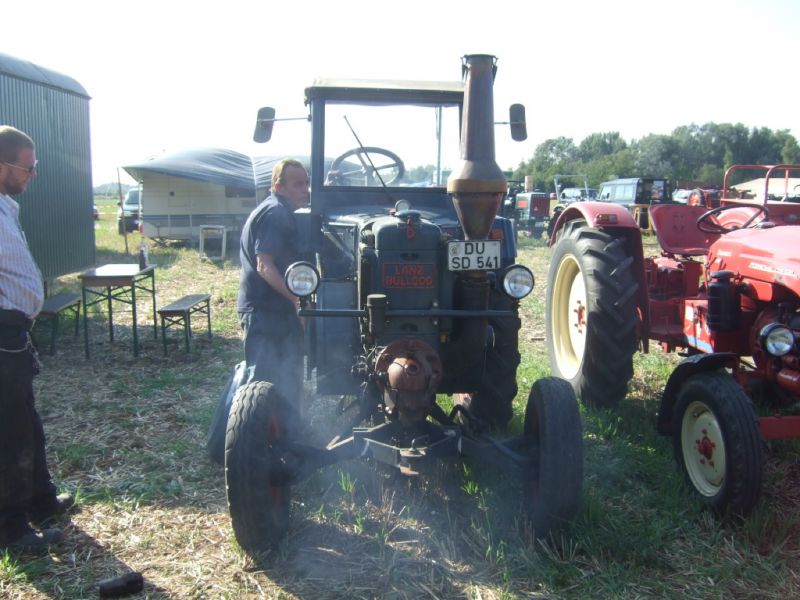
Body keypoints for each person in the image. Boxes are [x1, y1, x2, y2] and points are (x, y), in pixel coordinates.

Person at [0, 125, 74, 551]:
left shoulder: (7, 205)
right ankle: (10, 527)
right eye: (26, 168)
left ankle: (40, 500)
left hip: (14, 334)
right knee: (8, 432)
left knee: (28, 422)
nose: (32, 175)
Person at [237, 158, 310, 405]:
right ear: (279, 187)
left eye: (307, 183)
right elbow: (264, 265)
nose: (305, 190)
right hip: (265, 313)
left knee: (285, 380)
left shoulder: (276, 209)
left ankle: (288, 434)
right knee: (262, 385)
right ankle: (255, 438)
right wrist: (297, 300)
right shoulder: (276, 214)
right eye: (298, 184)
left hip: (273, 311)